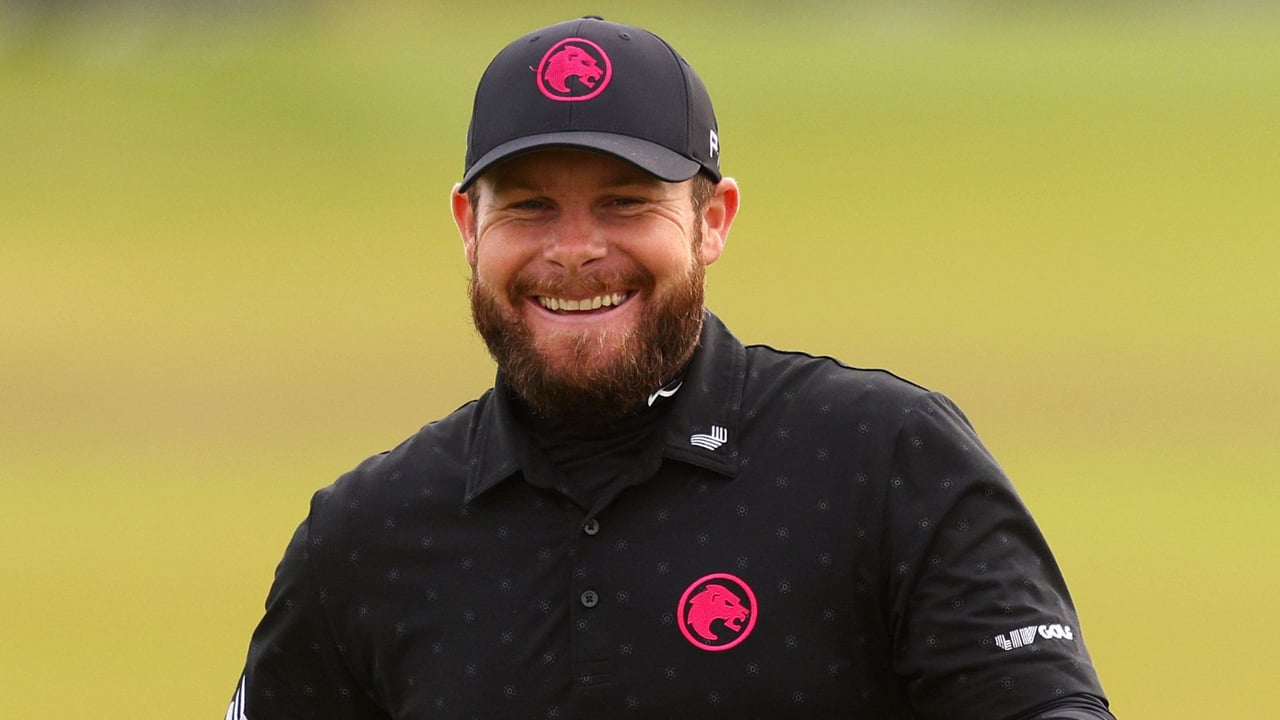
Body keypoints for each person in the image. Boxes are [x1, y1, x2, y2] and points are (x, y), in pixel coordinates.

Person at [226, 16, 1116, 720]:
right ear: (468, 226)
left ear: (713, 219)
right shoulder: (367, 533)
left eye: (625, 204)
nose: (575, 252)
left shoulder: (881, 460)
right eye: (531, 208)